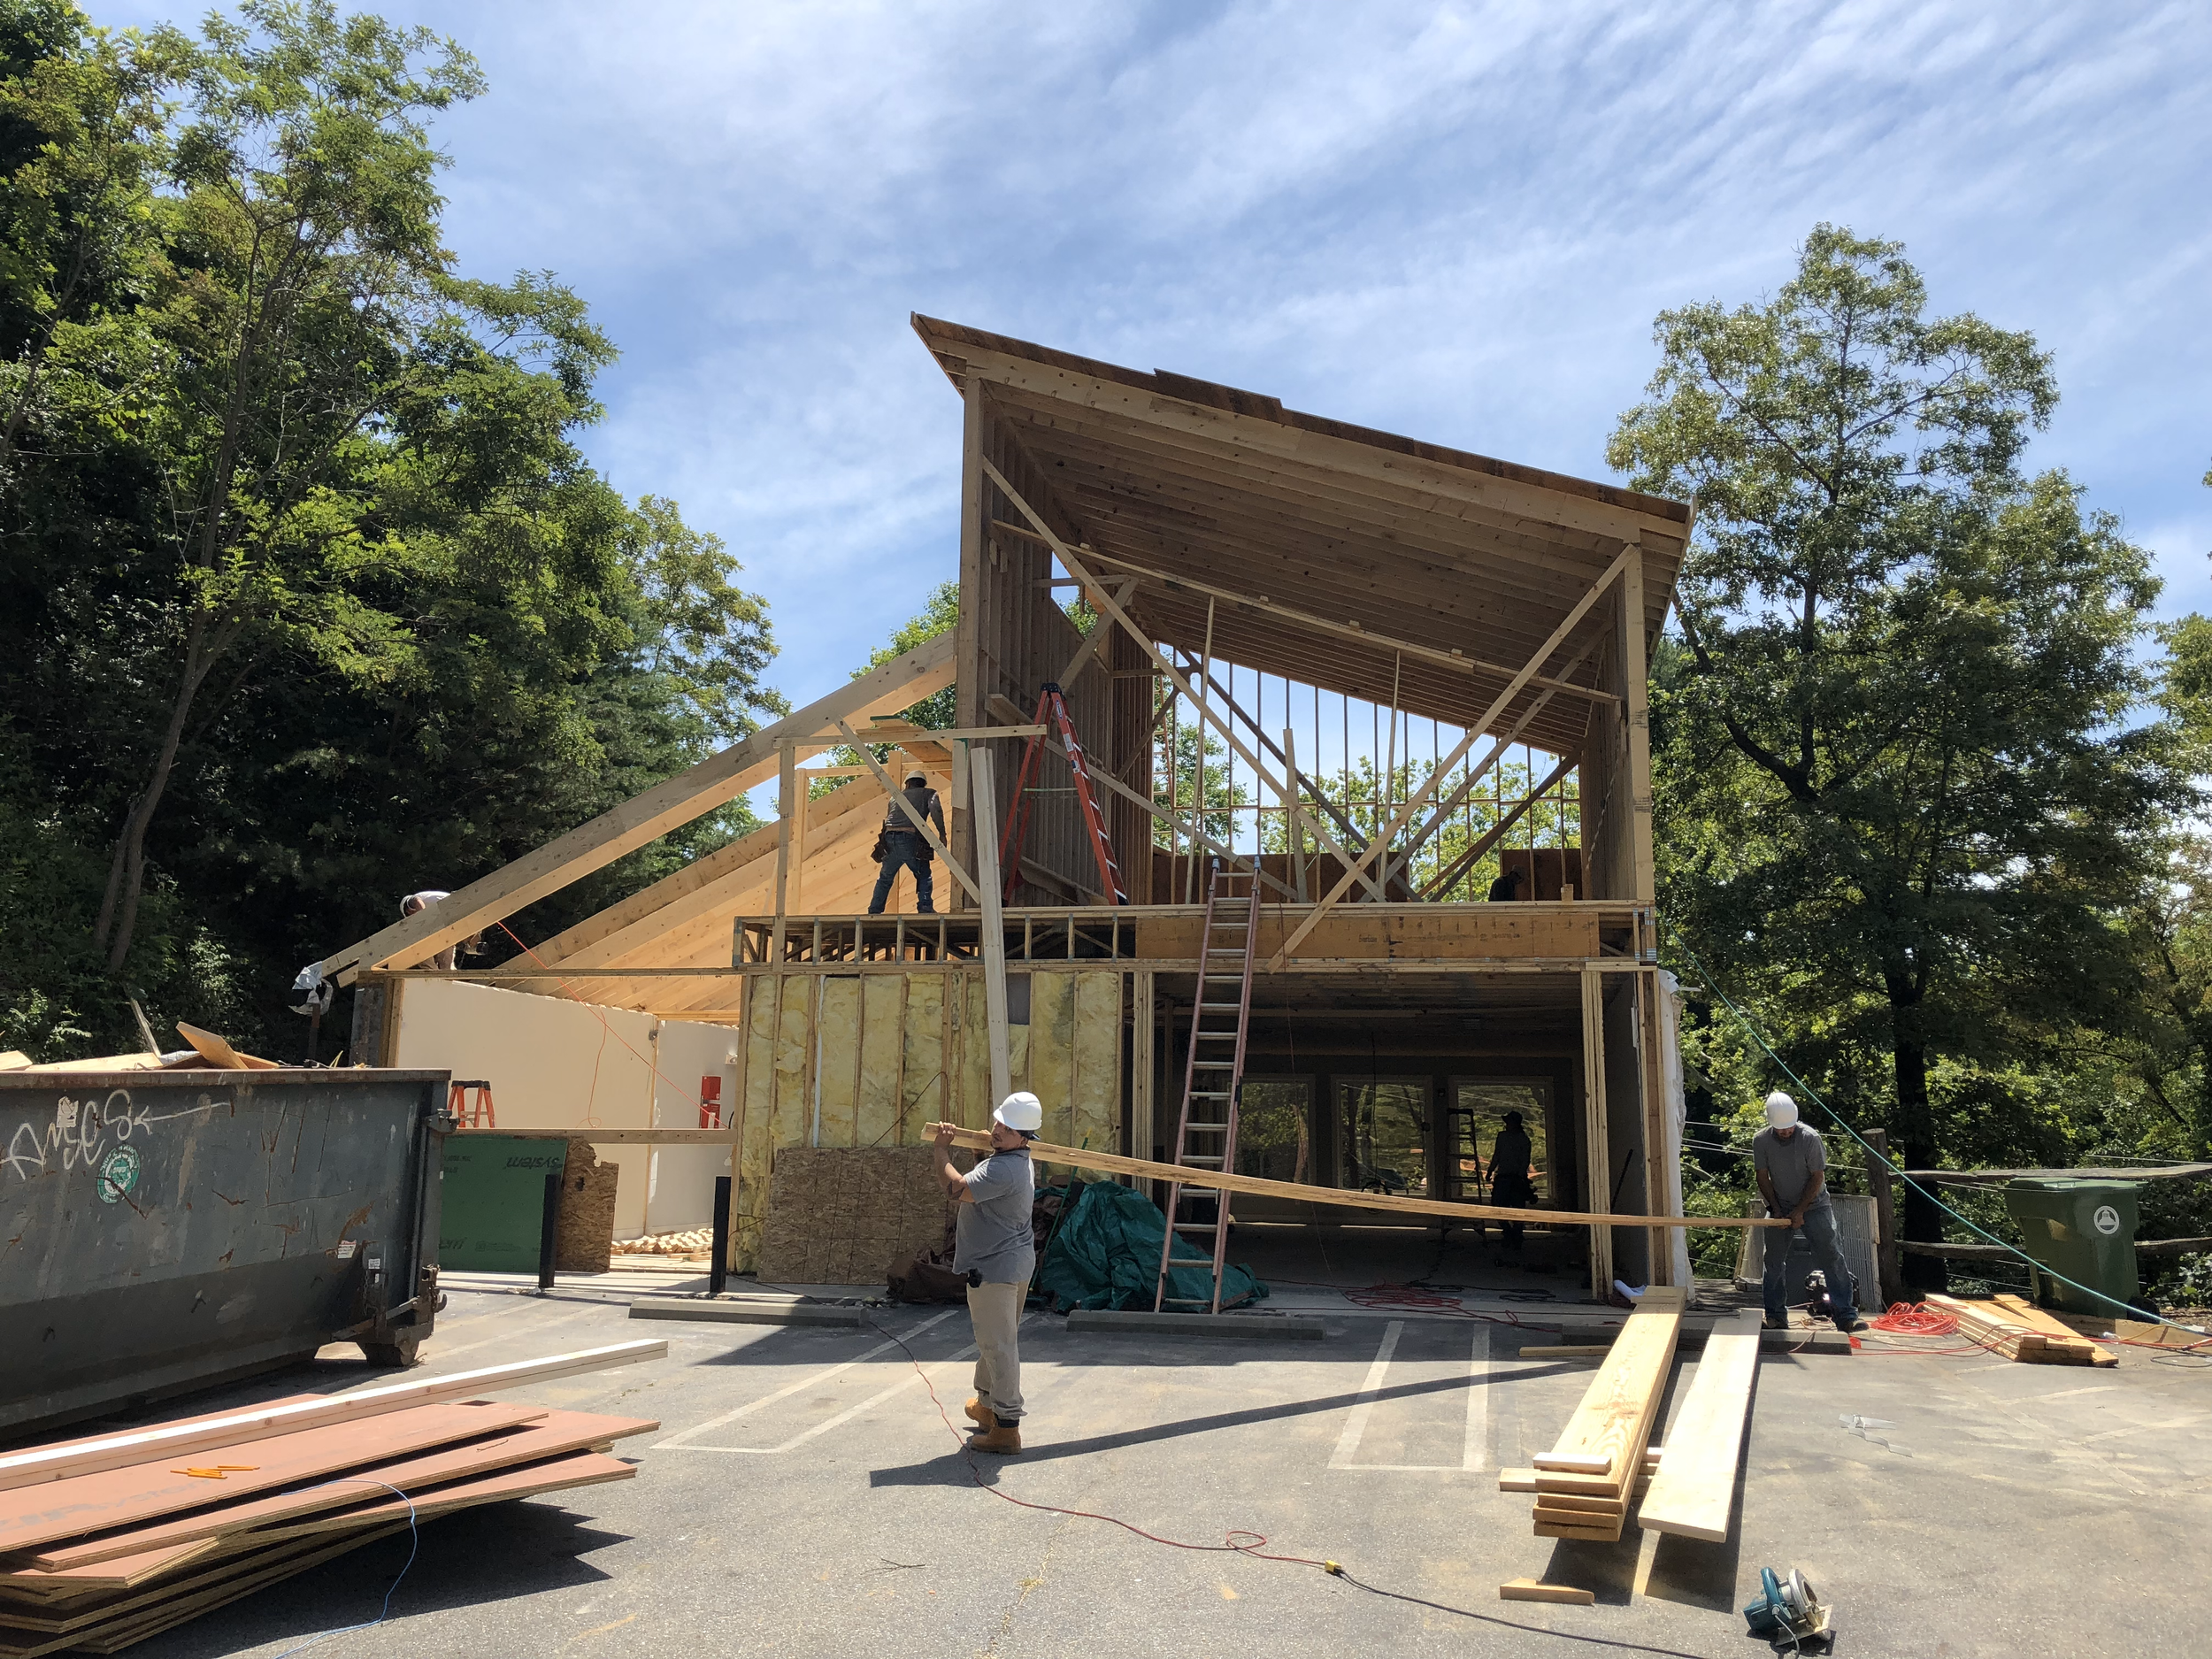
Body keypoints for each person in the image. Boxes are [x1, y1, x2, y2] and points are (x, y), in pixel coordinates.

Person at [934, 1091, 1042, 1453]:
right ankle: (988, 1404)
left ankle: (1007, 1426)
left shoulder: (1004, 1168)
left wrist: (941, 1151)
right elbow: (986, 1176)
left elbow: (956, 1189)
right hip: (1012, 1262)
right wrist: (982, 1152)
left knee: (999, 1346)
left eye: (1006, 1128)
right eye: (998, 1122)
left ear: (1024, 1137)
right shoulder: (1014, 1159)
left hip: (996, 1269)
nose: (997, 1130)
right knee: (993, 1340)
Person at [1753, 1091, 1864, 1333]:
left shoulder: (1810, 1138)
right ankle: (1775, 1316)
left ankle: (1846, 1315)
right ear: (1771, 1124)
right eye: (1780, 1129)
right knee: (1773, 1261)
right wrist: (1776, 1209)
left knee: (1831, 1256)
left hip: (1815, 1206)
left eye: (1789, 1127)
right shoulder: (1761, 1141)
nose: (1786, 1132)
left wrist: (1800, 1211)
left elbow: (1817, 1177)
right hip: (1780, 1205)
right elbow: (1763, 1176)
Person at [869, 770, 945, 915]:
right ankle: (925, 907)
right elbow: (935, 810)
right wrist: (942, 833)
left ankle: (874, 911)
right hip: (909, 838)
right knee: (923, 874)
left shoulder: (895, 797)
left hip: (889, 839)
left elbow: (890, 817)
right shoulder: (928, 793)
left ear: (907, 783)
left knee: (885, 878)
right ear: (923, 784)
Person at [1488, 1110, 1536, 1249]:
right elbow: (1497, 1155)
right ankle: (1510, 1233)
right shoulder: (1507, 1137)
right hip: (1507, 1177)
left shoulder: (1522, 1139)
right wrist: (1491, 1170)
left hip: (1514, 1178)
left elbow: (1524, 1161)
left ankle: (1515, 1234)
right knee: (1499, 1207)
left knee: (1515, 1209)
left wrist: (1520, 1177)